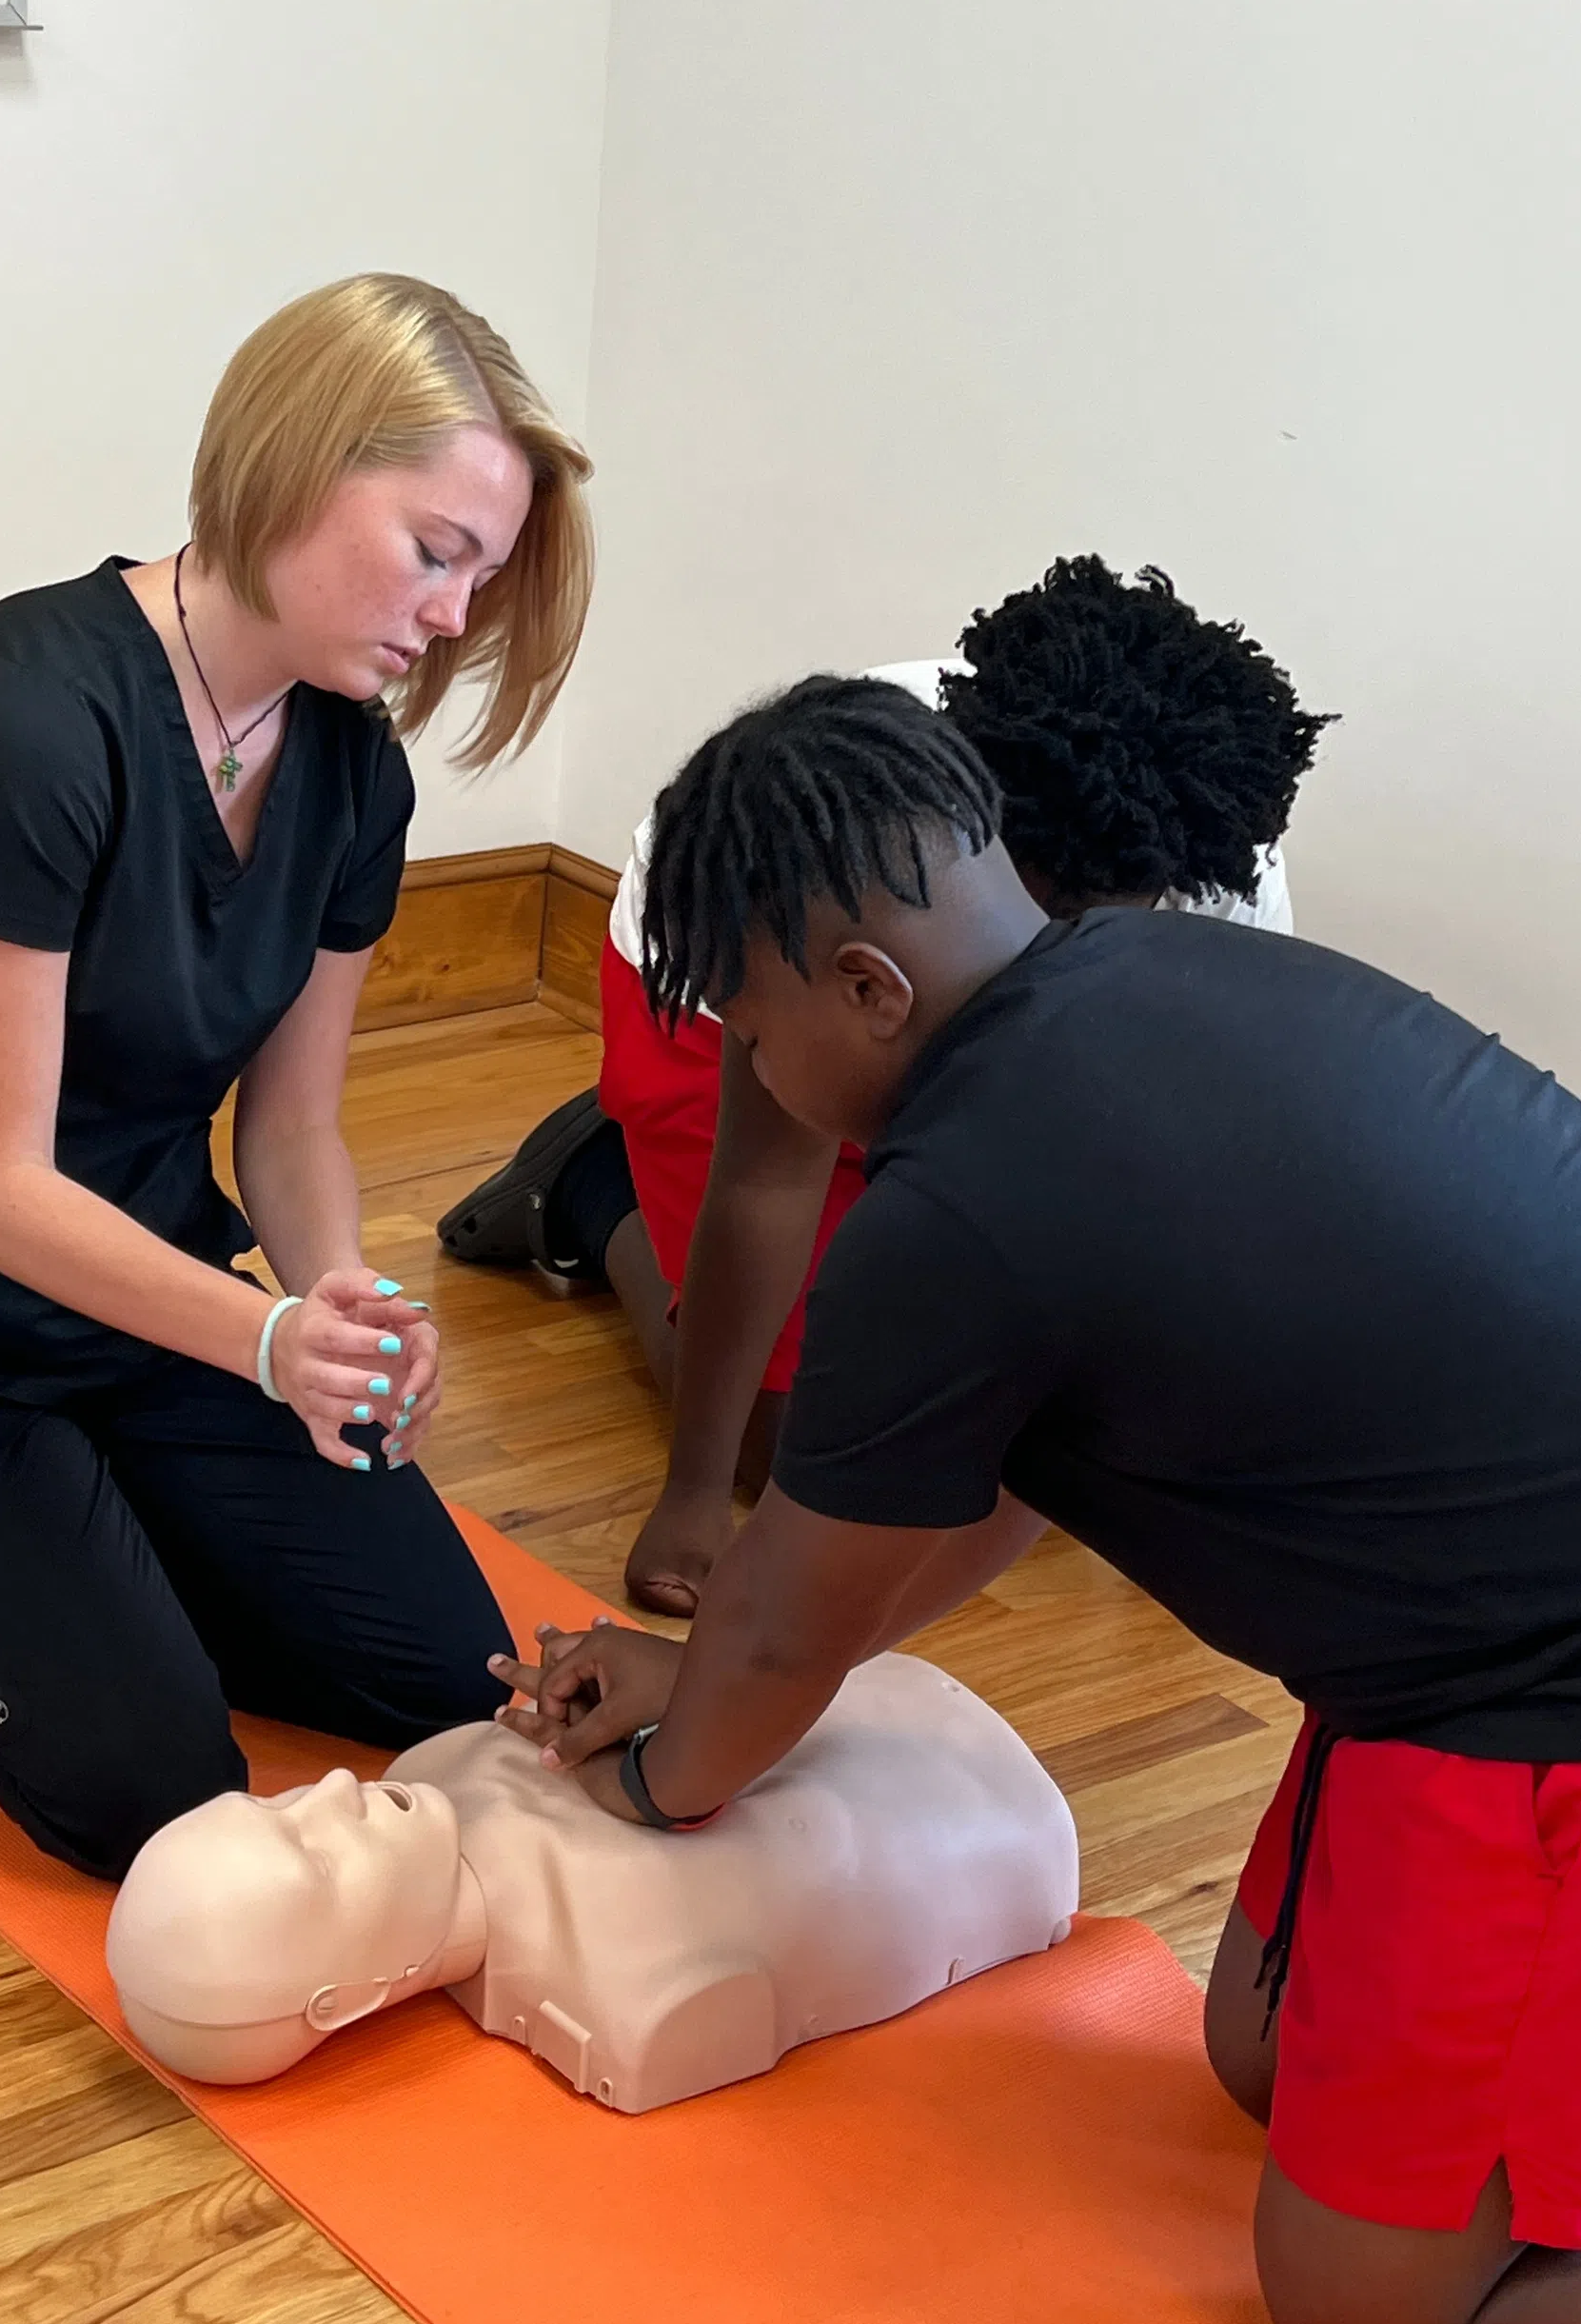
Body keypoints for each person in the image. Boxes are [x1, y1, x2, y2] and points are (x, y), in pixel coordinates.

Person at [493, 674, 1581, 2324]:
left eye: (746, 1022)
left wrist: (661, 1783)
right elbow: (979, 1506)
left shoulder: (953, 1209)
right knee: (1266, 2039)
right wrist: (700, 1674)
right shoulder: (1160, 977)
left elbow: (788, 1639)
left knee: (1372, 2305)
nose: (750, 1067)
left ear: (866, 993)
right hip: (1538, 1623)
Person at [0, 272, 594, 1880]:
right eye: (437, 551)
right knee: (156, 1791)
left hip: (148, 1291)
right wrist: (267, 1340)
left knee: (445, 1689)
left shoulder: (346, 766)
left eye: (482, 574)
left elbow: (297, 1124)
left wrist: (340, 1308)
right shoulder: (23, 725)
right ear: (301, 466)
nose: (456, 615)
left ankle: (77, 1520)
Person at [439, 558, 1328, 1608]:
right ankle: (596, 1192)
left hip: (920, 1039)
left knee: (1005, 1468)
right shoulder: (832, 841)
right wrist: (692, 1490)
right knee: (798, 1456)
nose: (1032, 953)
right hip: (723, 990)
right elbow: (767, 1184)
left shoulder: (1218, 877)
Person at [106, 1643, 1077, 2106]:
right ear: (334, 2002)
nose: (324, 1789)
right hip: (981, 1813)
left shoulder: (429, 1771)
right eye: (315, 1855)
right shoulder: (626, 1999)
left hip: (864, 1687)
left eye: (276, 1804)